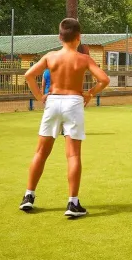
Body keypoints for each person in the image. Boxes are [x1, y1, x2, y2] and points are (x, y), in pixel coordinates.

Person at [19, 18, 110, 217]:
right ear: (79, 38)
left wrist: (39, 97)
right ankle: (72, 203)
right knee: (73, 155)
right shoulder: (84, 59)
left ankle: (28, 196)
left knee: (41, 152)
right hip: (73, 102)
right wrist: (90, 93)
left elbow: (28, 75)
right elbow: (104, 79)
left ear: (60, 37)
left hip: (52, 103)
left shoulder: (51, 57)